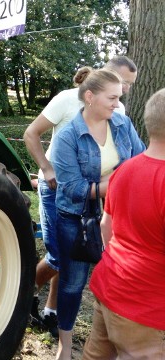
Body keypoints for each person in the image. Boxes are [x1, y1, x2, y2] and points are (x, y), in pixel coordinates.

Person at [23, 56, 138, 337]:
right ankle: (24, 297)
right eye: (122, 82)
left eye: (127, 86)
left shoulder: (118, 112)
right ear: (105, 76)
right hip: (57, 190)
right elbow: (31, 133)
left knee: (73, 257)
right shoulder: (66, 100)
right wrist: (47, 170)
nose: (124, 91)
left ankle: (52, 311)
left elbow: (127, 153)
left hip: (95, 197)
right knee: (61, 256)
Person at [51, 68, 145, 360]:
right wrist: (116, 180)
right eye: (112, 97)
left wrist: (114, 182)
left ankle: (107, 345)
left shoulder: (121, 123)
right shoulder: (68, 136)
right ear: (89, 97)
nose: (118, 104)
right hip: (75, 218)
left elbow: (139, 159)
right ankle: (64, 347)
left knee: (118, 280)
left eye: (119, 97)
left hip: (117, 215)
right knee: (73, 283)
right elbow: (75, 189)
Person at [82, 88, 165, 359]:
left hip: (111, 286)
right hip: (146, 308)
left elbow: (107, 228)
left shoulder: (125, 170)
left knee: (96, 355)